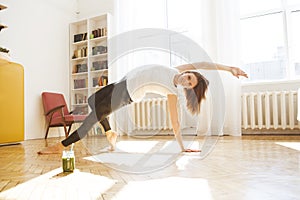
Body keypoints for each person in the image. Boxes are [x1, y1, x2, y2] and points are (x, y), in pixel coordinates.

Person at [38, 62, 248, 154]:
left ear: (188, 89)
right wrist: (228, 68)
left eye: (189, 84)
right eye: (189, 77)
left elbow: (175, 122)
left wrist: (182, 146)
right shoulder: (177, 69)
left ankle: (63, 146)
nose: (186, 80)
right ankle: (110, 132)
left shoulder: (172, 91)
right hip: (120, 83)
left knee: (92, 118)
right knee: (92, 100)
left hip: (125, 95)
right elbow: (203, 62)